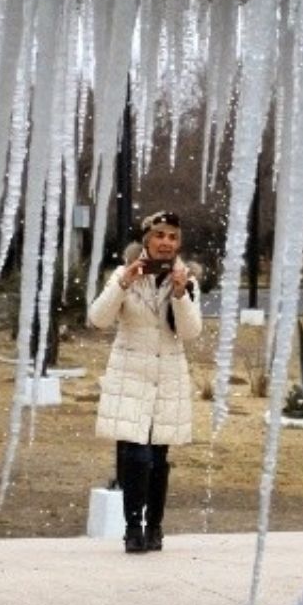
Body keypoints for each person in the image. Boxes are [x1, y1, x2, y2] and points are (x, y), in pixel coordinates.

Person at [87, 211, 203, 553]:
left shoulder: (186, 280)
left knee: (158, 457)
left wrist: (181, 295)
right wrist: (123, 284)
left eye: (172, 237)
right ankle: (132, 528)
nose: (166, 242)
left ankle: (154, 526)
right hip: (130, 377)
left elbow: (191, 332)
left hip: (167, 378)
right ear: (146, 240)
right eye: (160, 236)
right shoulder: (124, 275)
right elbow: (98, 319)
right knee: (137, 456)